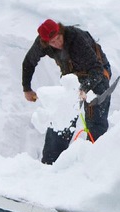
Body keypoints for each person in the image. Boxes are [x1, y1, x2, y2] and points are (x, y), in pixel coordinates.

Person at [22, 19, 113, 162]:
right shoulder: (42, 43)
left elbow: (96, 70)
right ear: (45, 42)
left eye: (58, 38)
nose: (57, 43)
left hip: (97, 73)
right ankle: (50, 163)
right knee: (62, 117)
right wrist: (26, 88)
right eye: (52, 42)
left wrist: (84, 89)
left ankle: (94, 162)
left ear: (61, 30)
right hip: (71, 77)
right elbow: (29, 62)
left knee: (95, 120)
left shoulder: (77, 38)